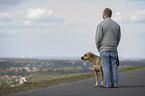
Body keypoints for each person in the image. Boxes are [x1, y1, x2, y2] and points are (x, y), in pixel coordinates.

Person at [95, 8, 121, 88]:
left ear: (104, 14)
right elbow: (118, 38)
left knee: (105, 66)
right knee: (113, 66)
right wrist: (115, 45)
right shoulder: (117, 25)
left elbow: (98, 39)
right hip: (113, 48)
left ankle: (106, 83)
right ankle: (115, 83)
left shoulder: (101, 25)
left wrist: (98, 47)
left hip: (104, 49)